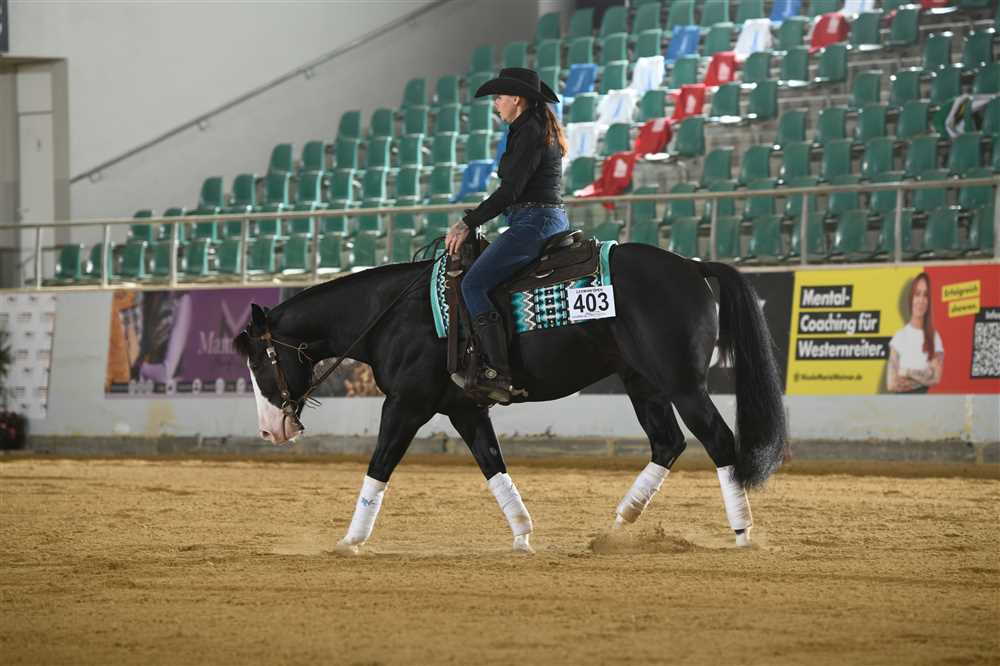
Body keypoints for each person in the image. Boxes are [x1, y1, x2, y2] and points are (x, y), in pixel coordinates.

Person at [444, 68, 570, 404]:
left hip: (534, 221)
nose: (496, 103)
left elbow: (510, 191)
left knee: (473, 284)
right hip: (541, 218)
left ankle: (498, 373)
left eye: (499, 97)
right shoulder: (532, 127)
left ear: (517, 99)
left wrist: (467, 223)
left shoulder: (530, 131)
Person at [887, 273, 944, 393]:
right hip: (901, 402)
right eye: (917, 294)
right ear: (911, 298)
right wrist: (924, 377)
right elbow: (891, 384)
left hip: (924, 402)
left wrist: (907, 372)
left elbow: (936, 378)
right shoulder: (899, 337)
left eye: (925, 295)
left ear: (929, 301)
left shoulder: (935, 337)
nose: (921, 300)